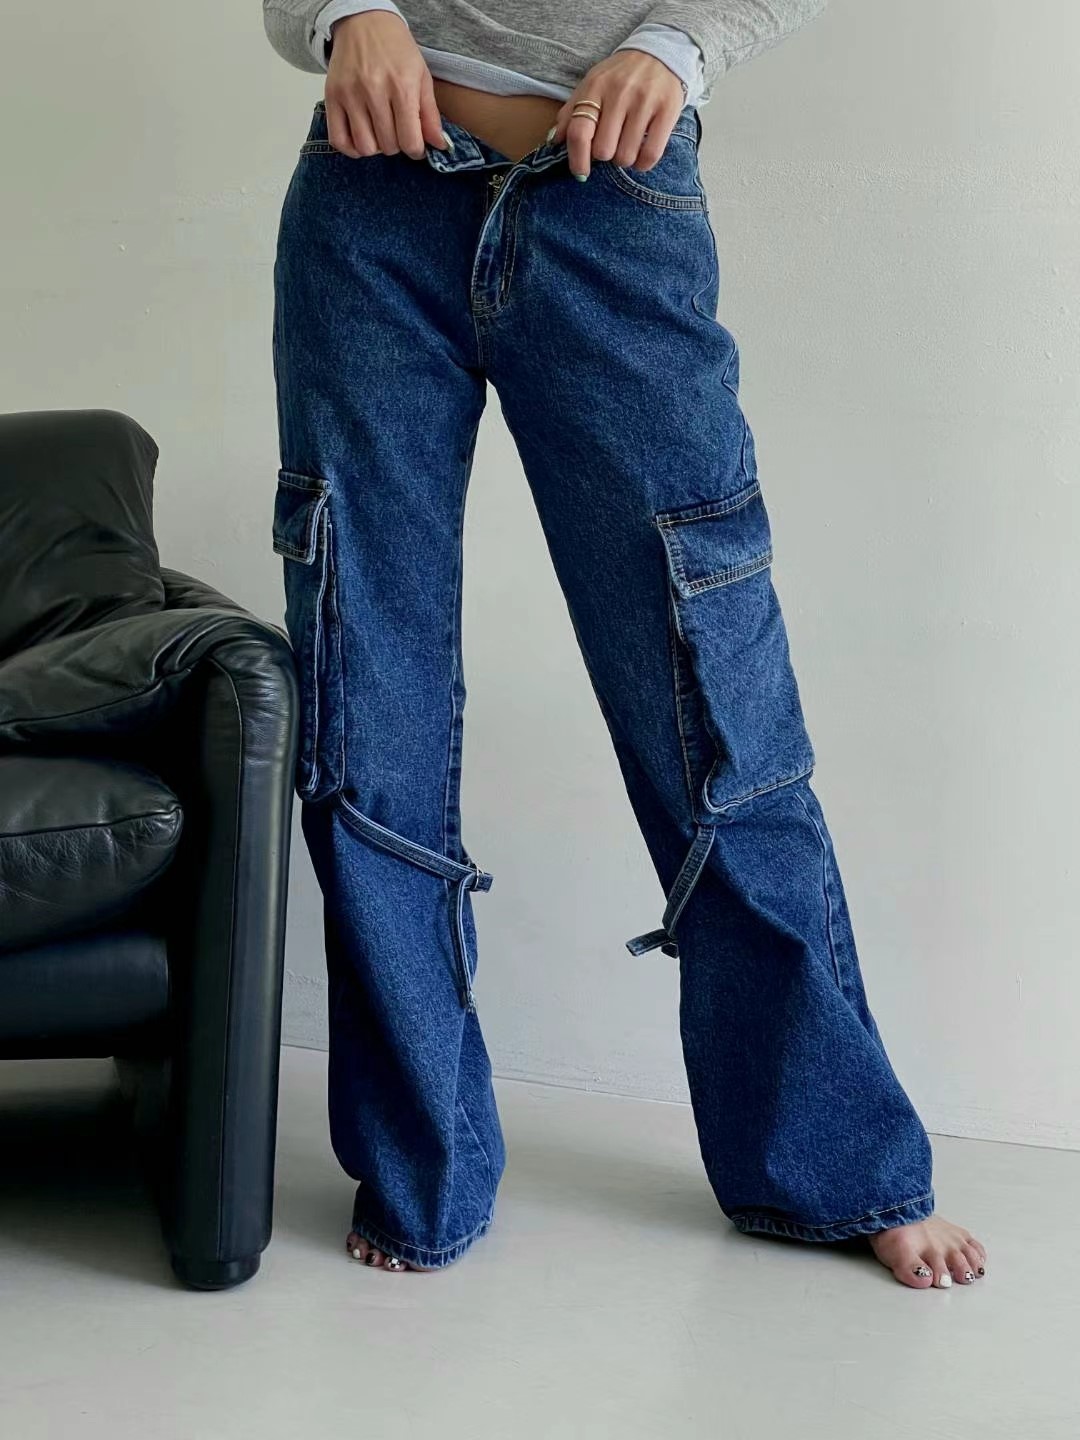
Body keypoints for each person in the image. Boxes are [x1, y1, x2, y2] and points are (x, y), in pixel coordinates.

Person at [262, 0, 987, 1289]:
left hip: (615, 194)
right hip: (373, 193)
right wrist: (343, 12)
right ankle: (420, 1160)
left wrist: (677, 45)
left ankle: (833, 1161)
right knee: (363, 674)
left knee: (715, 688)